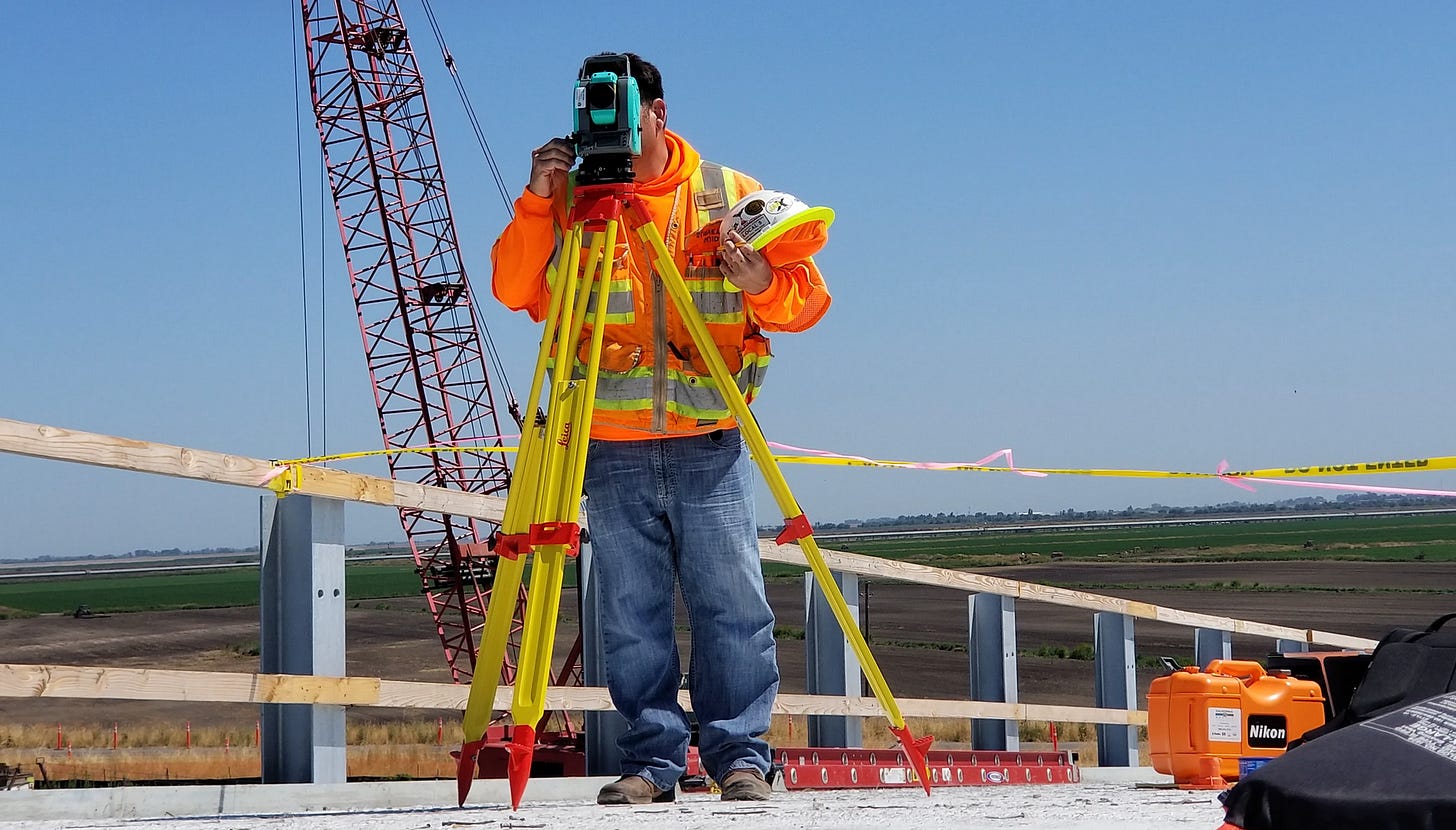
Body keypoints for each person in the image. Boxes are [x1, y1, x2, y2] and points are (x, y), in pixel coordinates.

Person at [490, 52, 831, 804]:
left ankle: (739, 754)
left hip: (708, 440)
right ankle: (653, 761)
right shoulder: (573, 200)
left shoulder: (726, 194)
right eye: (592, 110)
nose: (604, 126)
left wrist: (763, 283)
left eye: (619, 109)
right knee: (631, 617)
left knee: (732, 608)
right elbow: (514, 287)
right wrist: (540, 199)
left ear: (658, 113)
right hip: (607, 447)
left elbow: (806, 303)